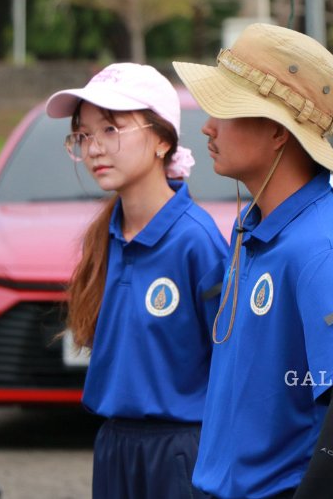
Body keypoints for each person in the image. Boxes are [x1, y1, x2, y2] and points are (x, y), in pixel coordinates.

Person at [172, 23, 333, 499]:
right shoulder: (256, 226)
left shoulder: (320, 248)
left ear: (277, 131)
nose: (208, 126)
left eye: (226, 111)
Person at [45, 63, 227, 499]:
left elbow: (233, 364)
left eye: (111, 129)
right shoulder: (103, 238)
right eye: (83, 135)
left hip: (181, 453)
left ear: (163, 140)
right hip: (114, 448)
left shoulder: (196, 241)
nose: (94, 148)